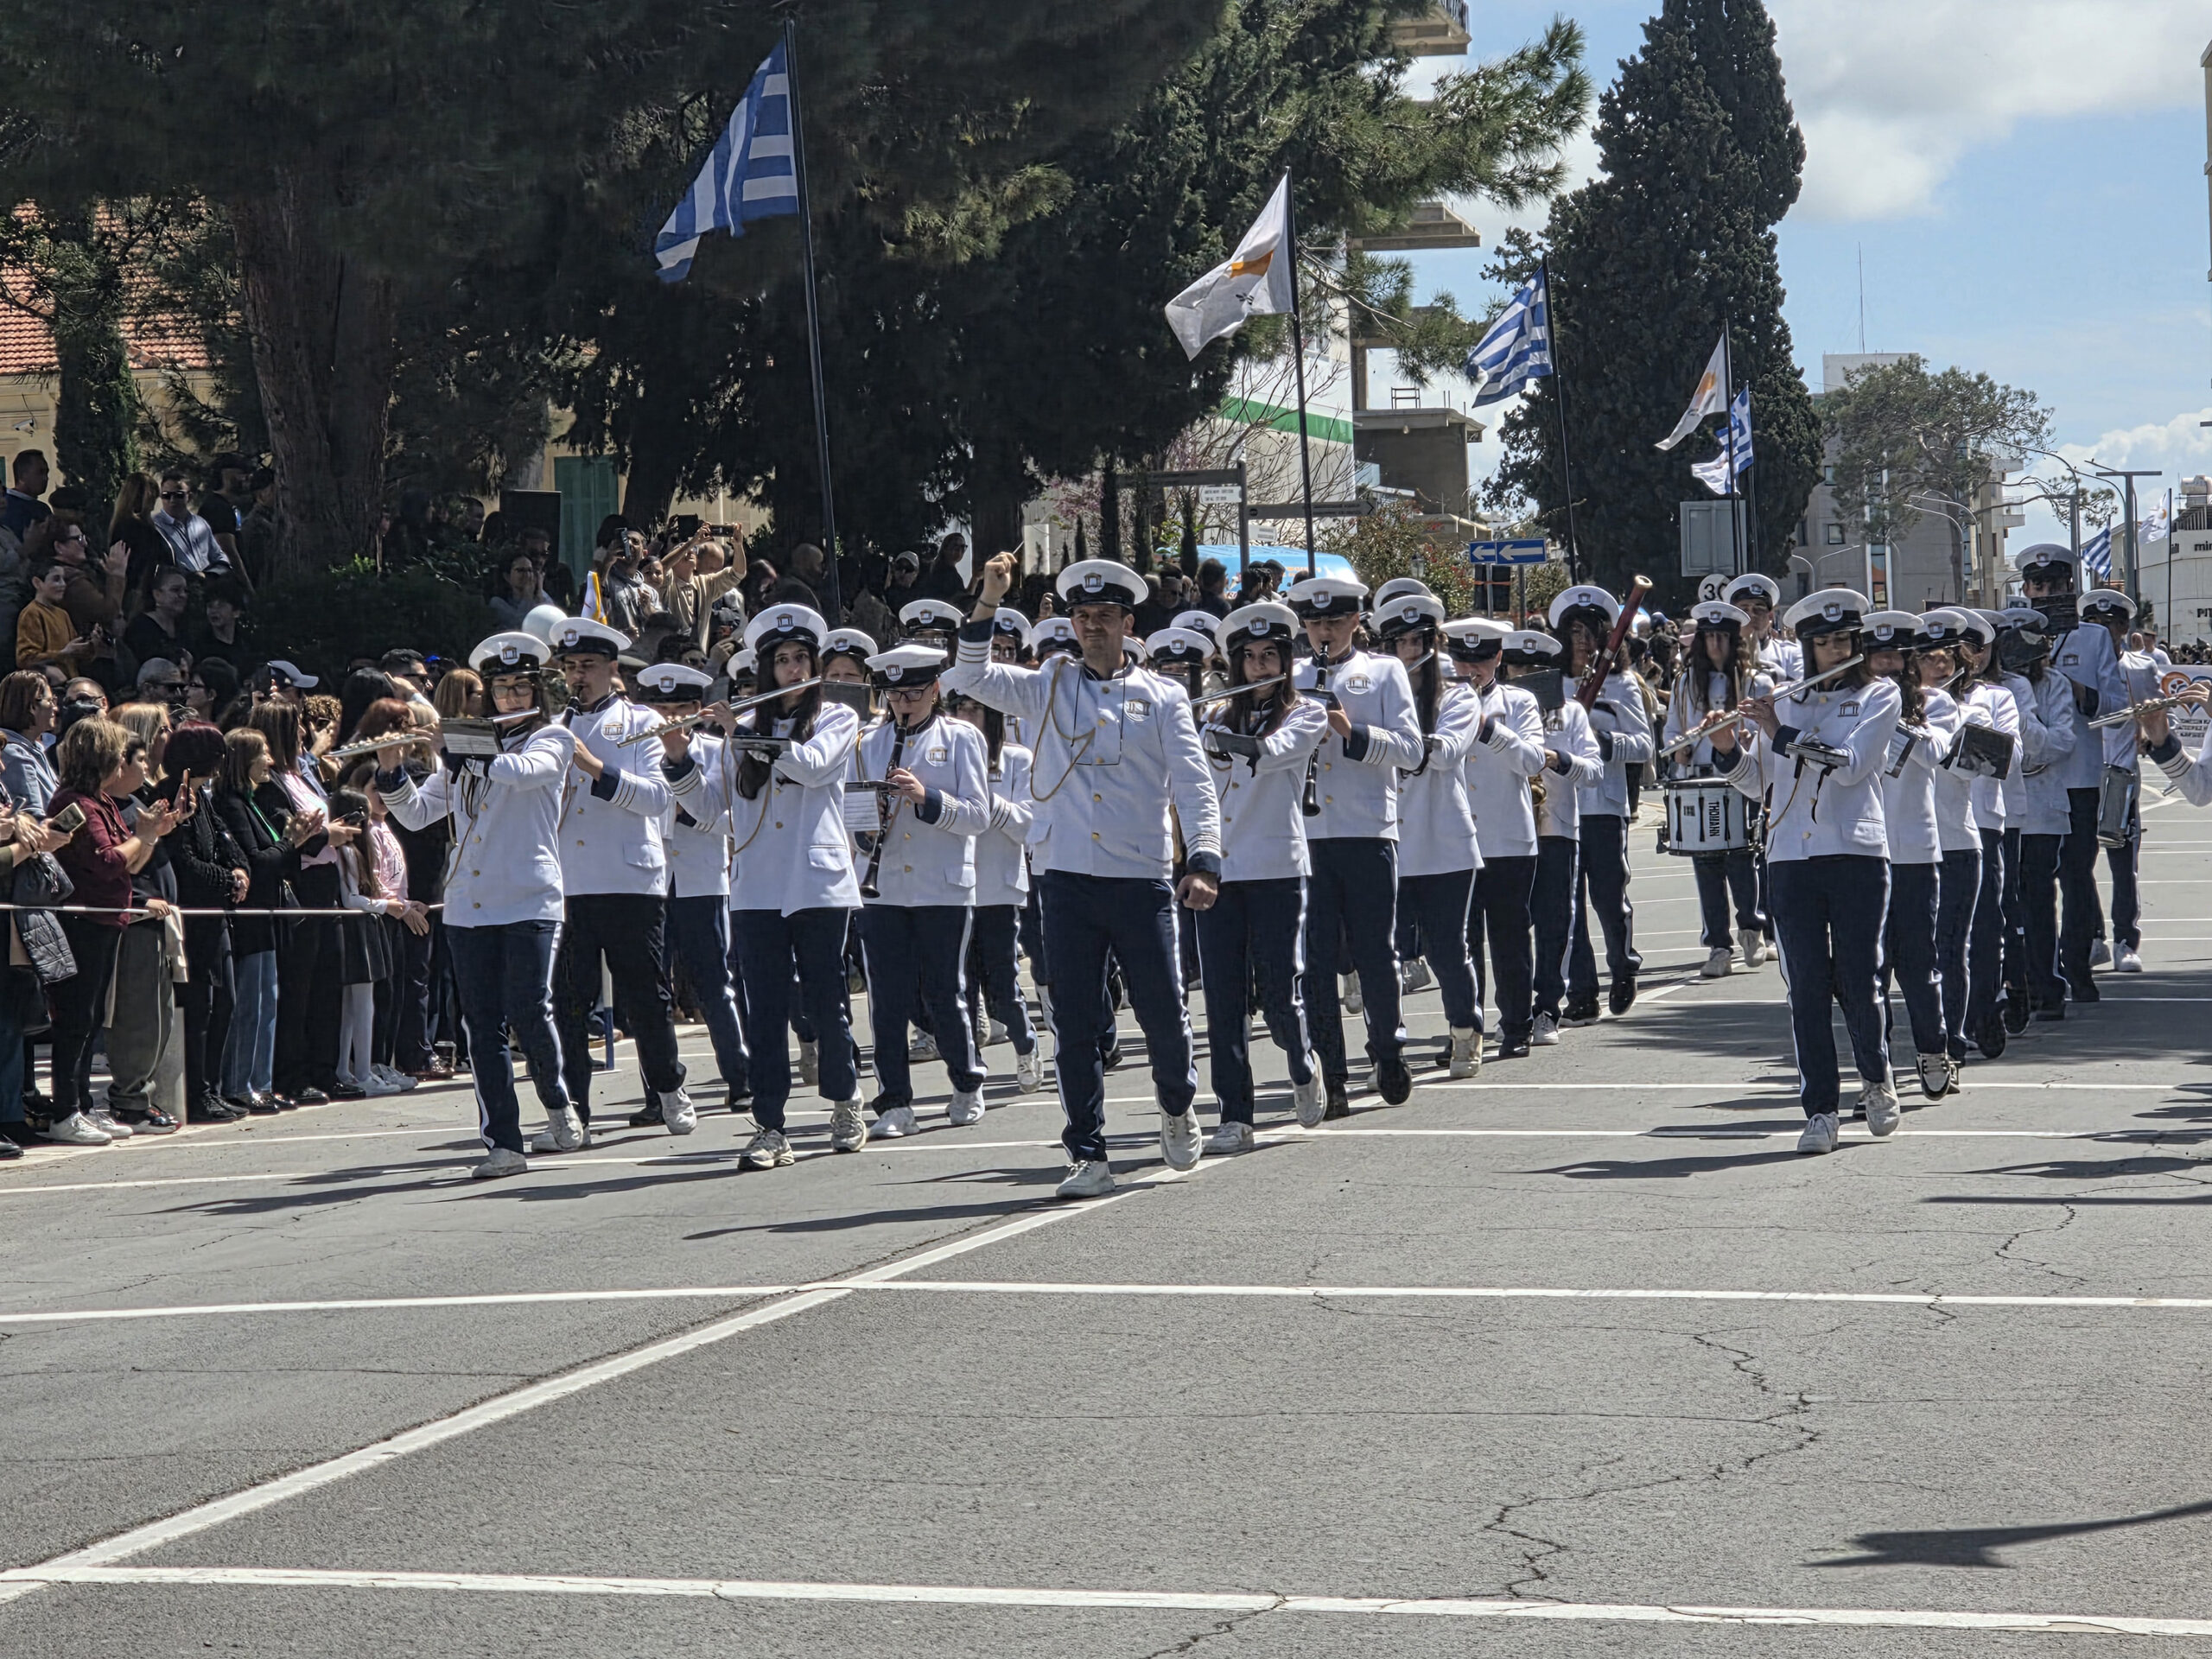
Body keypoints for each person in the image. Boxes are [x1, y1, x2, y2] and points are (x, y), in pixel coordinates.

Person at [946, 555, 1221, 1195]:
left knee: (1161, 1010)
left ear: (1128, 624)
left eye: (1104, 616)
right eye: (1081, 616)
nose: (1092, 626)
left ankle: (1177, 1105)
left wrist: (1203, 860)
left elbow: (1194, 786)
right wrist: (988, 598)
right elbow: (968, 674)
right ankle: (1088, 1152)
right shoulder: (1047, 685)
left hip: (1140, 876)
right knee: (1072, 1020)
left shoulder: (1164, 697)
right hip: (1065, 874)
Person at [664, 603, 870, 1168]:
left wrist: (740, 733)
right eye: (783, 660)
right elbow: (711, 811)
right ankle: (770, 1125)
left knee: (827, 1002)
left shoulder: (836, 718)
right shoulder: (742, 731)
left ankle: (845, 1099)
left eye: (803, 658)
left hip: (818, 883)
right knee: (765, 1007)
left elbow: (809, 766)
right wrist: (680, 759)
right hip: (755, 886)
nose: (794, 668)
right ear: (766, 668)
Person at [376, 631, 579, 1179]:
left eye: (520, 688)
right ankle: (504, 1142)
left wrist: (460, 743)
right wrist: (393, 769)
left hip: (531, 895)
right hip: (469, 902)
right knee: (480, 1024)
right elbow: (418, 815)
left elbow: (518, 775)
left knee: (529, 1011)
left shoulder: (553, 740)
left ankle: (557, 1100)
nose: (511, 699)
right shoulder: (465, 754)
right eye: (501, 690)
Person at [1715, 588, 1902, 1154]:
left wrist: (1780, 732)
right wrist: (1727, 750)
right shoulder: (1783, 701)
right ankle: (1819, 1109)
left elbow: (1850, 767)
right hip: (1789, 858)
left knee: (1858, 979)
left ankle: (1875, 1077)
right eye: (1823, 643)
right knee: (1806, 989)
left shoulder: (1880, 694)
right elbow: (1761, 783)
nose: (1834, 651)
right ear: (1807, 647)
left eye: (1843, 641)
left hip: (1856, 853)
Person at [544, 618, 692, 1147]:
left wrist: (594, 768)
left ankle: (668, 1088)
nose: (578, 676)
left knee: (645, 997)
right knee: (569, 1002)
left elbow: (657, 799)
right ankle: (574, 1110)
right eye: (570, 667)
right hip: (568, 881)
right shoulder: (550, 727)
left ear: (612, 670)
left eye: (588, 667)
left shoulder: (641, 722)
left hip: (630, 878)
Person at [1189, 601, 1327, 1147]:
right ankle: (1235, 1114)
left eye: (1272, 656)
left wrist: (1207, 737)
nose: (1262, 667)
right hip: (1220, 870)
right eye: (1251, 658)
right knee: (1223, 998)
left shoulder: (1307, 712)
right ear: (1237, 665)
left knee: (1278, 991)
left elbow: (1271, 753)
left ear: (1286, 661)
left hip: (1275, 867)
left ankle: (1300, 1062)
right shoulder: (1215, 716)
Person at [1283, 575, 1421, 1116]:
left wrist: (1349, 732)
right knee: (1315, 959)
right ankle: (1331, 1071)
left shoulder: (1384, 672)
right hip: (1307, 835)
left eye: (1335, 622)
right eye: (1315, 623)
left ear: (1356, 622)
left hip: (1368, 830)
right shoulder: (1292, 675)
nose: (1324, 632)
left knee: (1374, 950)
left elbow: (1410, 750)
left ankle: (1388, 1049)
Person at [849, 642, 992, 1136]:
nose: (903, 703)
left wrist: (924, 796)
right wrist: (868, 827)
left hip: (942, 887)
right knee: (886, 998)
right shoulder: (867, 741)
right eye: (895, 694)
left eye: (914, 692)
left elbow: (977, 814)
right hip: (883, 886)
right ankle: (894, 1102)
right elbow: (851, 814)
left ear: (935, 690)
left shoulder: (962, 739)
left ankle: (967, 1083)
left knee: (944, 991)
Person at [46, 716, 185, 1144]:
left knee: (90, 1020)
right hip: (81, 922)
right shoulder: (76, 803)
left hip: (107, 921)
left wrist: (151, 836)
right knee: (75, 1018)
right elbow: (106, 863)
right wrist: (140, 836)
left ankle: (83, 1106)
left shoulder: (101, 801)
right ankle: (65, 1110)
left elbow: (130, 862)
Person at [631, 662, 749, 1119]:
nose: (669, 717)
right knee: (650, 991)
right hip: (650, 880)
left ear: (698, 710)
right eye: (661, 707)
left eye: (680, 707)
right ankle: (659, 1090)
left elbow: (731, 818)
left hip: (701, 879)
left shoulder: (718, 750)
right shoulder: (638, 750)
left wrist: (691, 814)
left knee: (714, 984)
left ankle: (740, 1079)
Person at [1376, 592, 1484, 1077]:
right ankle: (1389, 1043)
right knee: (1384, 951)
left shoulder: (1458, 693)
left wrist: (1377, 741)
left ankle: (1465, 1028)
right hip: (1386, 841)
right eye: (1398, 642)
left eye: (1417, 640)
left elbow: (1442, 752)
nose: (1408, 651)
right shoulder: (1375, 691)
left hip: (1443, 843)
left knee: (1446, 947)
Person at [2018, 544, 2127, 1007]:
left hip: (2078, 773)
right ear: (2025, 589)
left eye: (2055, 586)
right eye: (2037, 586)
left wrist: (2079, 690)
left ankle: (2078, 967)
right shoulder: (2013, 632)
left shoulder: (2091, 638)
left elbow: (2118, 709)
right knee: (2032, 881)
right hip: (2029, 778)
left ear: (2070, 588)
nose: (2045, 593)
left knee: (2077, 876)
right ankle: (2037, 975)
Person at [1445, 618, 1549, 1060]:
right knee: (1460, 943)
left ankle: (1517, 1024)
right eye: (1463, 659)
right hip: (1454, 837)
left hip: (1507, 836)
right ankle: (1468, 1029)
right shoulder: (1440, 702)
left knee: (1509, 937)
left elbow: (1532, 760)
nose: (1472, 668)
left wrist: (1489, 729)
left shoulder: (1519, 701)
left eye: (1482, 659)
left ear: (1498, 658)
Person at [1865, 612, 1959, 1103]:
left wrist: (1898, 722)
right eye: (1876, 658)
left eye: (1894, 658)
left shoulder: (1935, 703)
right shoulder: (1849, 705)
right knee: (1868, 971)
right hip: (1861, 851)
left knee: (1919, 964)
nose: (1884, 666)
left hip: (1916, 850)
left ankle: (1932, 1047)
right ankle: (1876, 1073)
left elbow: (1940, 751)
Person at [1661, 601, 1770, 977]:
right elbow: (1671, 731)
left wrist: (1746, 738)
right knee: (1706, 865)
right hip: (1698, 779)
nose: (1716, 646)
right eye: (1709, 638)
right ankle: (1718, 946)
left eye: (1724, 637)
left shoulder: (1757, 681)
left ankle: (1752, 927)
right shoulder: (1684, 682)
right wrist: (1681, 748)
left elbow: (1768, 736)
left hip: (1741, 779)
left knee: (1743, 858)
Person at [948, 684, 1046, 1097]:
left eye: (977, 708)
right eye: (961, 708)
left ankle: (1026, 1046)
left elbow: (1029, 824)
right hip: (952, 886)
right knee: (960, 988)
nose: (969, 716)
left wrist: (986, 801)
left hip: (1000, 887)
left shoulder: (1016, 759)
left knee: (1002, 988)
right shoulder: (944, 757)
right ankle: (973, 1070)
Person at [1508, 630, 1603, 1046]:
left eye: (1535, 670)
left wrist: (1558, 759)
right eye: (1518, 669)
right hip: (1506, 829)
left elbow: (1594, 770)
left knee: (1554, 923)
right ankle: (1513, 1009)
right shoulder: (1495, 711)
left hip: (1555, 827)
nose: (1526, 676)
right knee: (1509, 927)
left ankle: (1548, 1006)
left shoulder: (1572, 714)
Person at [2001, 607, 2078, 1023]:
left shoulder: (2054, 686)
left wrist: (2027, 727)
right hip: (2002, 809)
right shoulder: (1992, 690)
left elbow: (2061, 743)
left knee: (2038, 900)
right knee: (2003, 903)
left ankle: (2046, 984)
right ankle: (2012, 982)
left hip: (2043, 807)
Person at [2085, 588, 2150, 973]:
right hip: (2081, 775)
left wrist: (2149, 730)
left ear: (2124, 628)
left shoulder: (2139, 667)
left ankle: (2126, 938)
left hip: (2120, 774)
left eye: (2110, 626)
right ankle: (2094, 937)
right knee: (2078, 866)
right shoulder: (2074, 668)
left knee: (2123, 864)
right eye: (2094, 625)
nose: (2103, 633)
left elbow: (2160, 717)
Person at [16, 557, 92, 672]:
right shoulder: (32, 613)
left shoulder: (63, 614)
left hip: (71, 680)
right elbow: (25, 658)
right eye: (56, 579)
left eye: (64, 579)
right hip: (50, 685)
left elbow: (76, 654)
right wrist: (63, 653)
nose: (63, 585)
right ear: (37, 583)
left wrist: (92, 645)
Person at [148, 472, 227, 574]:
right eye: (166, 495)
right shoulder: (154, 526)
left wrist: (211, 574)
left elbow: (219, 556)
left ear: (189, 496)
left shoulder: (200, 523)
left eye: (179, 495)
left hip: (207, 585)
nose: (172, 500)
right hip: (176, 586)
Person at [123, 567, 192, 670]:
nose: (183, 595)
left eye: (185, 591)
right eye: (175, 590)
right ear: (157, 594)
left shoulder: (185, 627)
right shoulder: (140, 627)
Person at [488, 548, 545, 632]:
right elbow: (519, 625)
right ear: (507, 576)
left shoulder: (541, 595)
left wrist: (540, 593)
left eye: (530, 570)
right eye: (521, 570)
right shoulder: (497, 603)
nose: (527, 575)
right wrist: (527, 597)